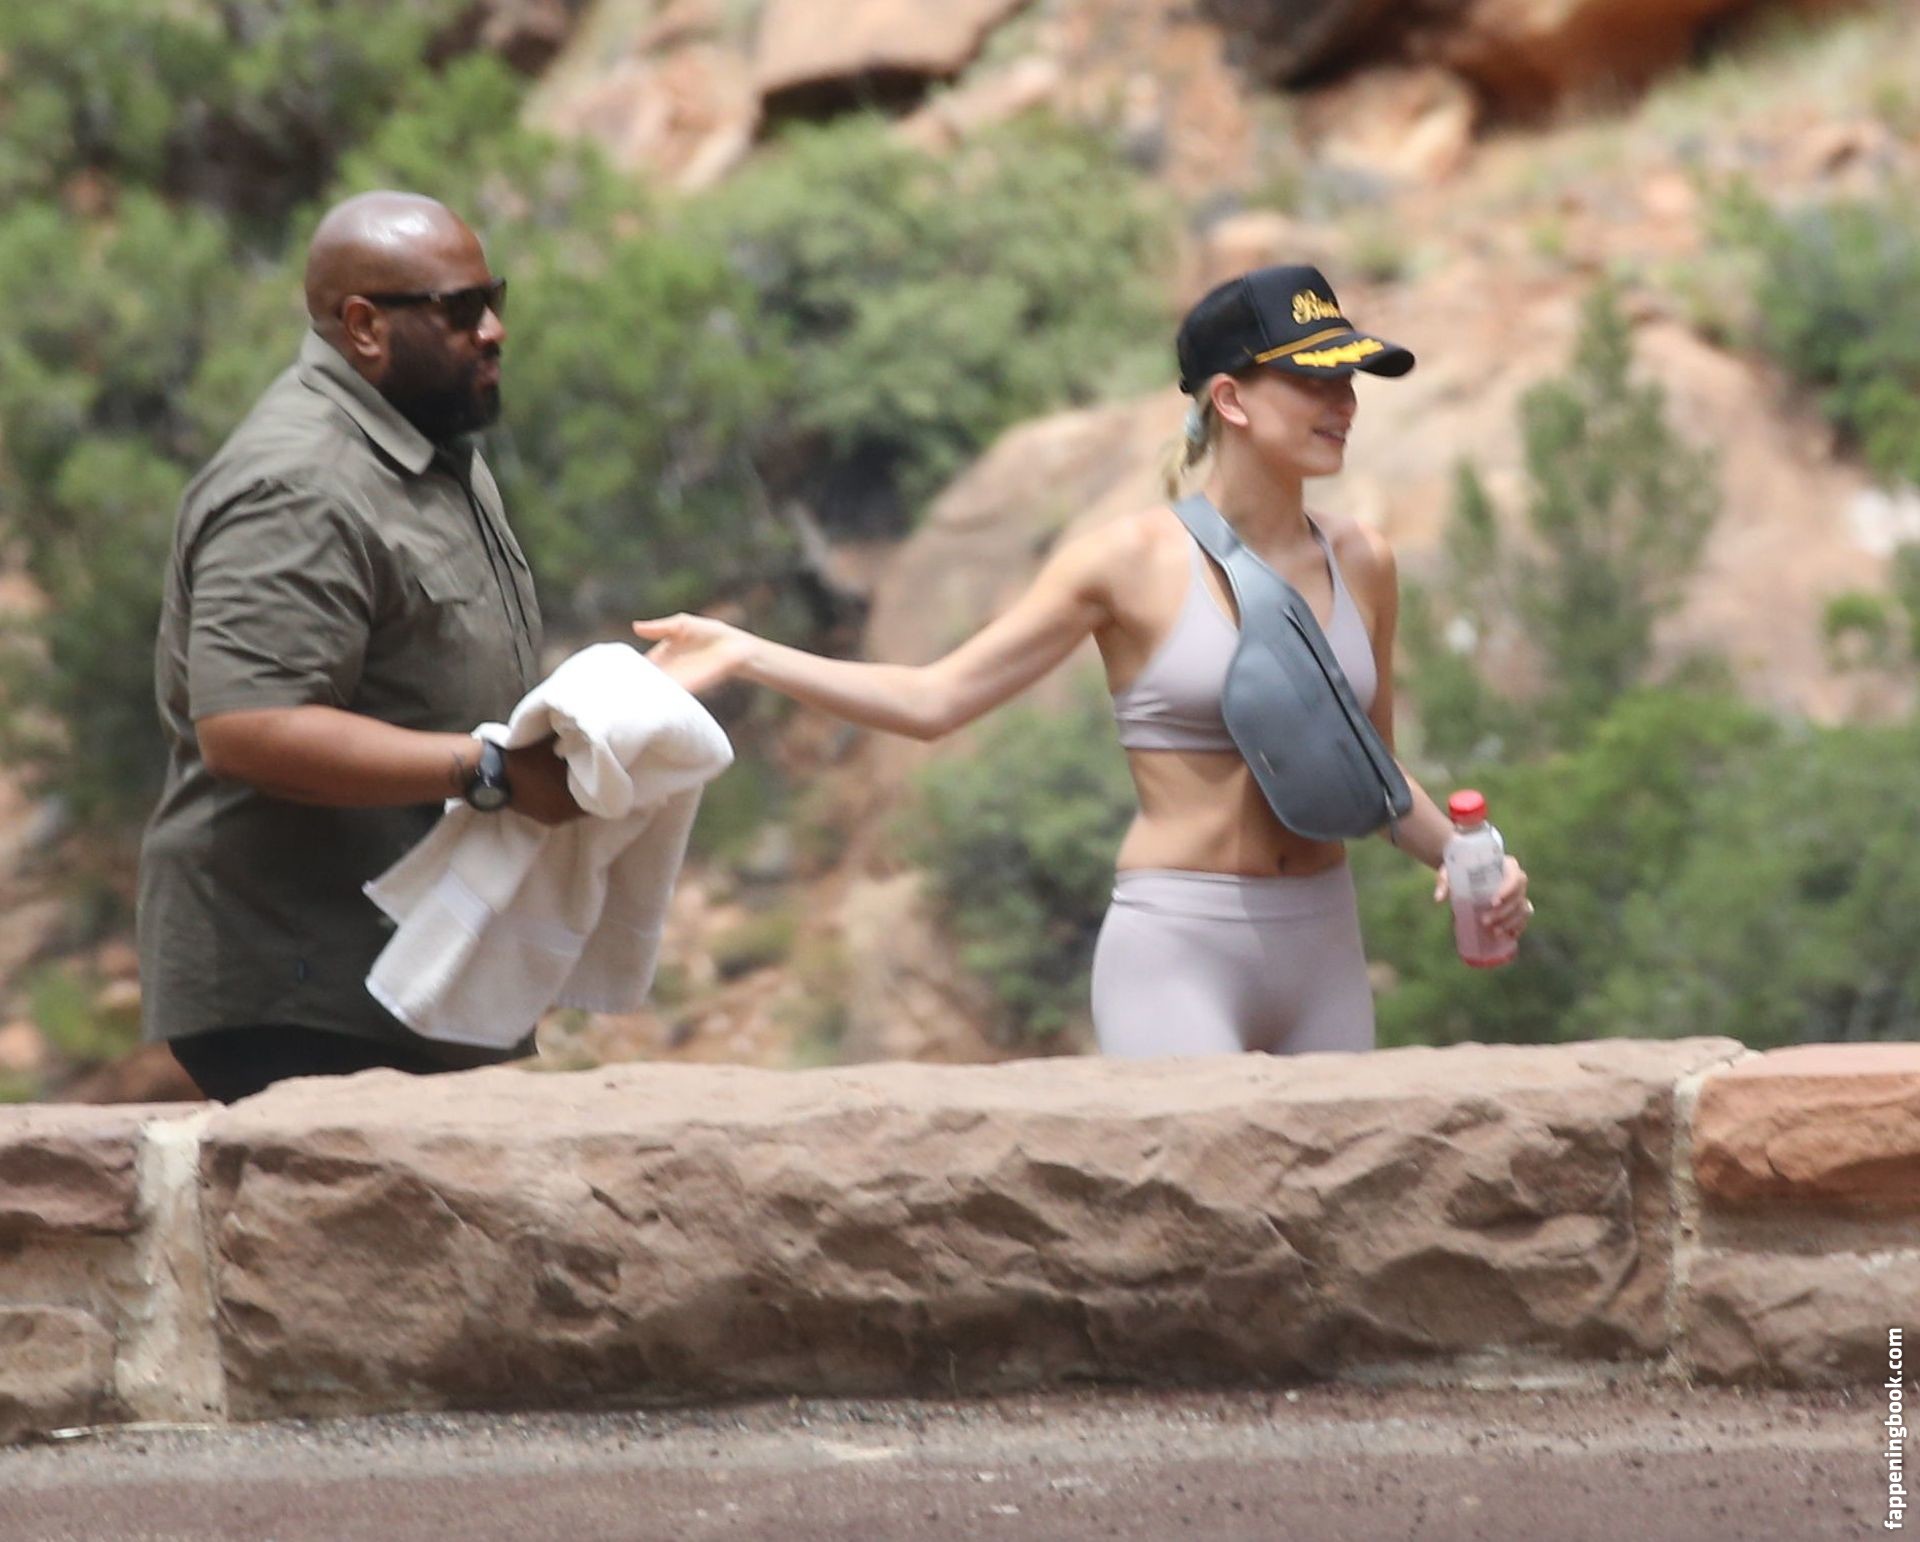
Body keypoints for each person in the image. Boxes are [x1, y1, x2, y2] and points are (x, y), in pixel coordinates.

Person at [635, 265, 1532, 1057]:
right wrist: (747, 653)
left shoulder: (1363, 559)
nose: (1345, 405)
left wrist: (1465, 859)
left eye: (1350, 380)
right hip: (1181, 950)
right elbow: (934, 699)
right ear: (1230, 399)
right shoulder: (1127, 561)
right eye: (1313, 380)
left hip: (1326, 947)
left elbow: (1374, 776)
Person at [138, 191, 582, 1103]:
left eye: (494, 300)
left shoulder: (424, 443)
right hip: (308, 992)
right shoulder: (300, 484)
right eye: (461, 310)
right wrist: (491, 770)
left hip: (416, 976)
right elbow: (251, 729)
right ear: (365, 327)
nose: (494, 330)